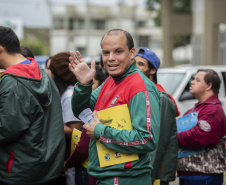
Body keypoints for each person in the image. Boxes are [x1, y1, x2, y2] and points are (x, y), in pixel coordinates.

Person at [68, 29, 160, 185]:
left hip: (125, 179)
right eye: (106, 53)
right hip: (107, 177)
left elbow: (147, 139)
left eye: (118, 52)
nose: (110, 58)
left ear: (132, 53)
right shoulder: (110, 81)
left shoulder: (140, 87)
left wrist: (100, 131)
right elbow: (81, 111)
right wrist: (84, 85)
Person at [0, 26, 65, 184]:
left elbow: (5, 129)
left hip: (19, 170)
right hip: (47, 167)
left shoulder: (13, 82)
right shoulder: (41, 72)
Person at [135, 48, 180, 185]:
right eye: (134, 63)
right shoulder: (141, 94)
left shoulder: (160, 98)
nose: (136, 68)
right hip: (142, 169)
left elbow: (158, 140)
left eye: (141, 64)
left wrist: (149, 175)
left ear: (153, 70)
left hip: (155, 174)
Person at [177, 69, 226, 185]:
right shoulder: (197, 109)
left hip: (203, 175)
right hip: (190, 173)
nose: (192, 82)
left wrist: (173, 135)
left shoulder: (212, 111)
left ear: (209, 86)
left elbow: (198, 138)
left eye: (197, 80)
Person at [47, 51, 83, 185]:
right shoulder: (62, 92)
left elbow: (74, 129)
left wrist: (46, 126)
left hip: (69, 158)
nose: (48, 73)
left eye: (50, 69)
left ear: (58, 73)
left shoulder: (69, 96)